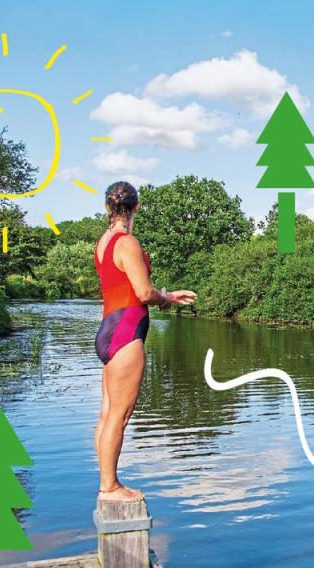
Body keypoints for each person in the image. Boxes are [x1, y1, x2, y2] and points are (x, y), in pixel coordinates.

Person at [93, 181, 197, 503]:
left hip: (108, 330)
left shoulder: (103, 243)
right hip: (126, 332)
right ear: (136, 207)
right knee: (119, 416)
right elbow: (143, 292)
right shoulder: (127, 243)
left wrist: (165, 295)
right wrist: (167, 297)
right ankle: (110, 487)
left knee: (107, 413)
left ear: (108, 207)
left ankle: (105, 483)